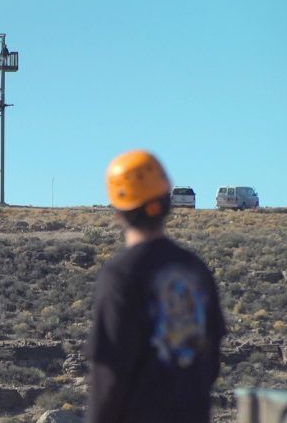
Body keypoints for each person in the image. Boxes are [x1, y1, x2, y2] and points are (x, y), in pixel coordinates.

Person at [87, 150, 226, 423]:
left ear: (118, 212)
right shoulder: (196, 269)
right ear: (167, 202)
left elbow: (110, 373)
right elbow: (210, 359)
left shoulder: (120, 275)